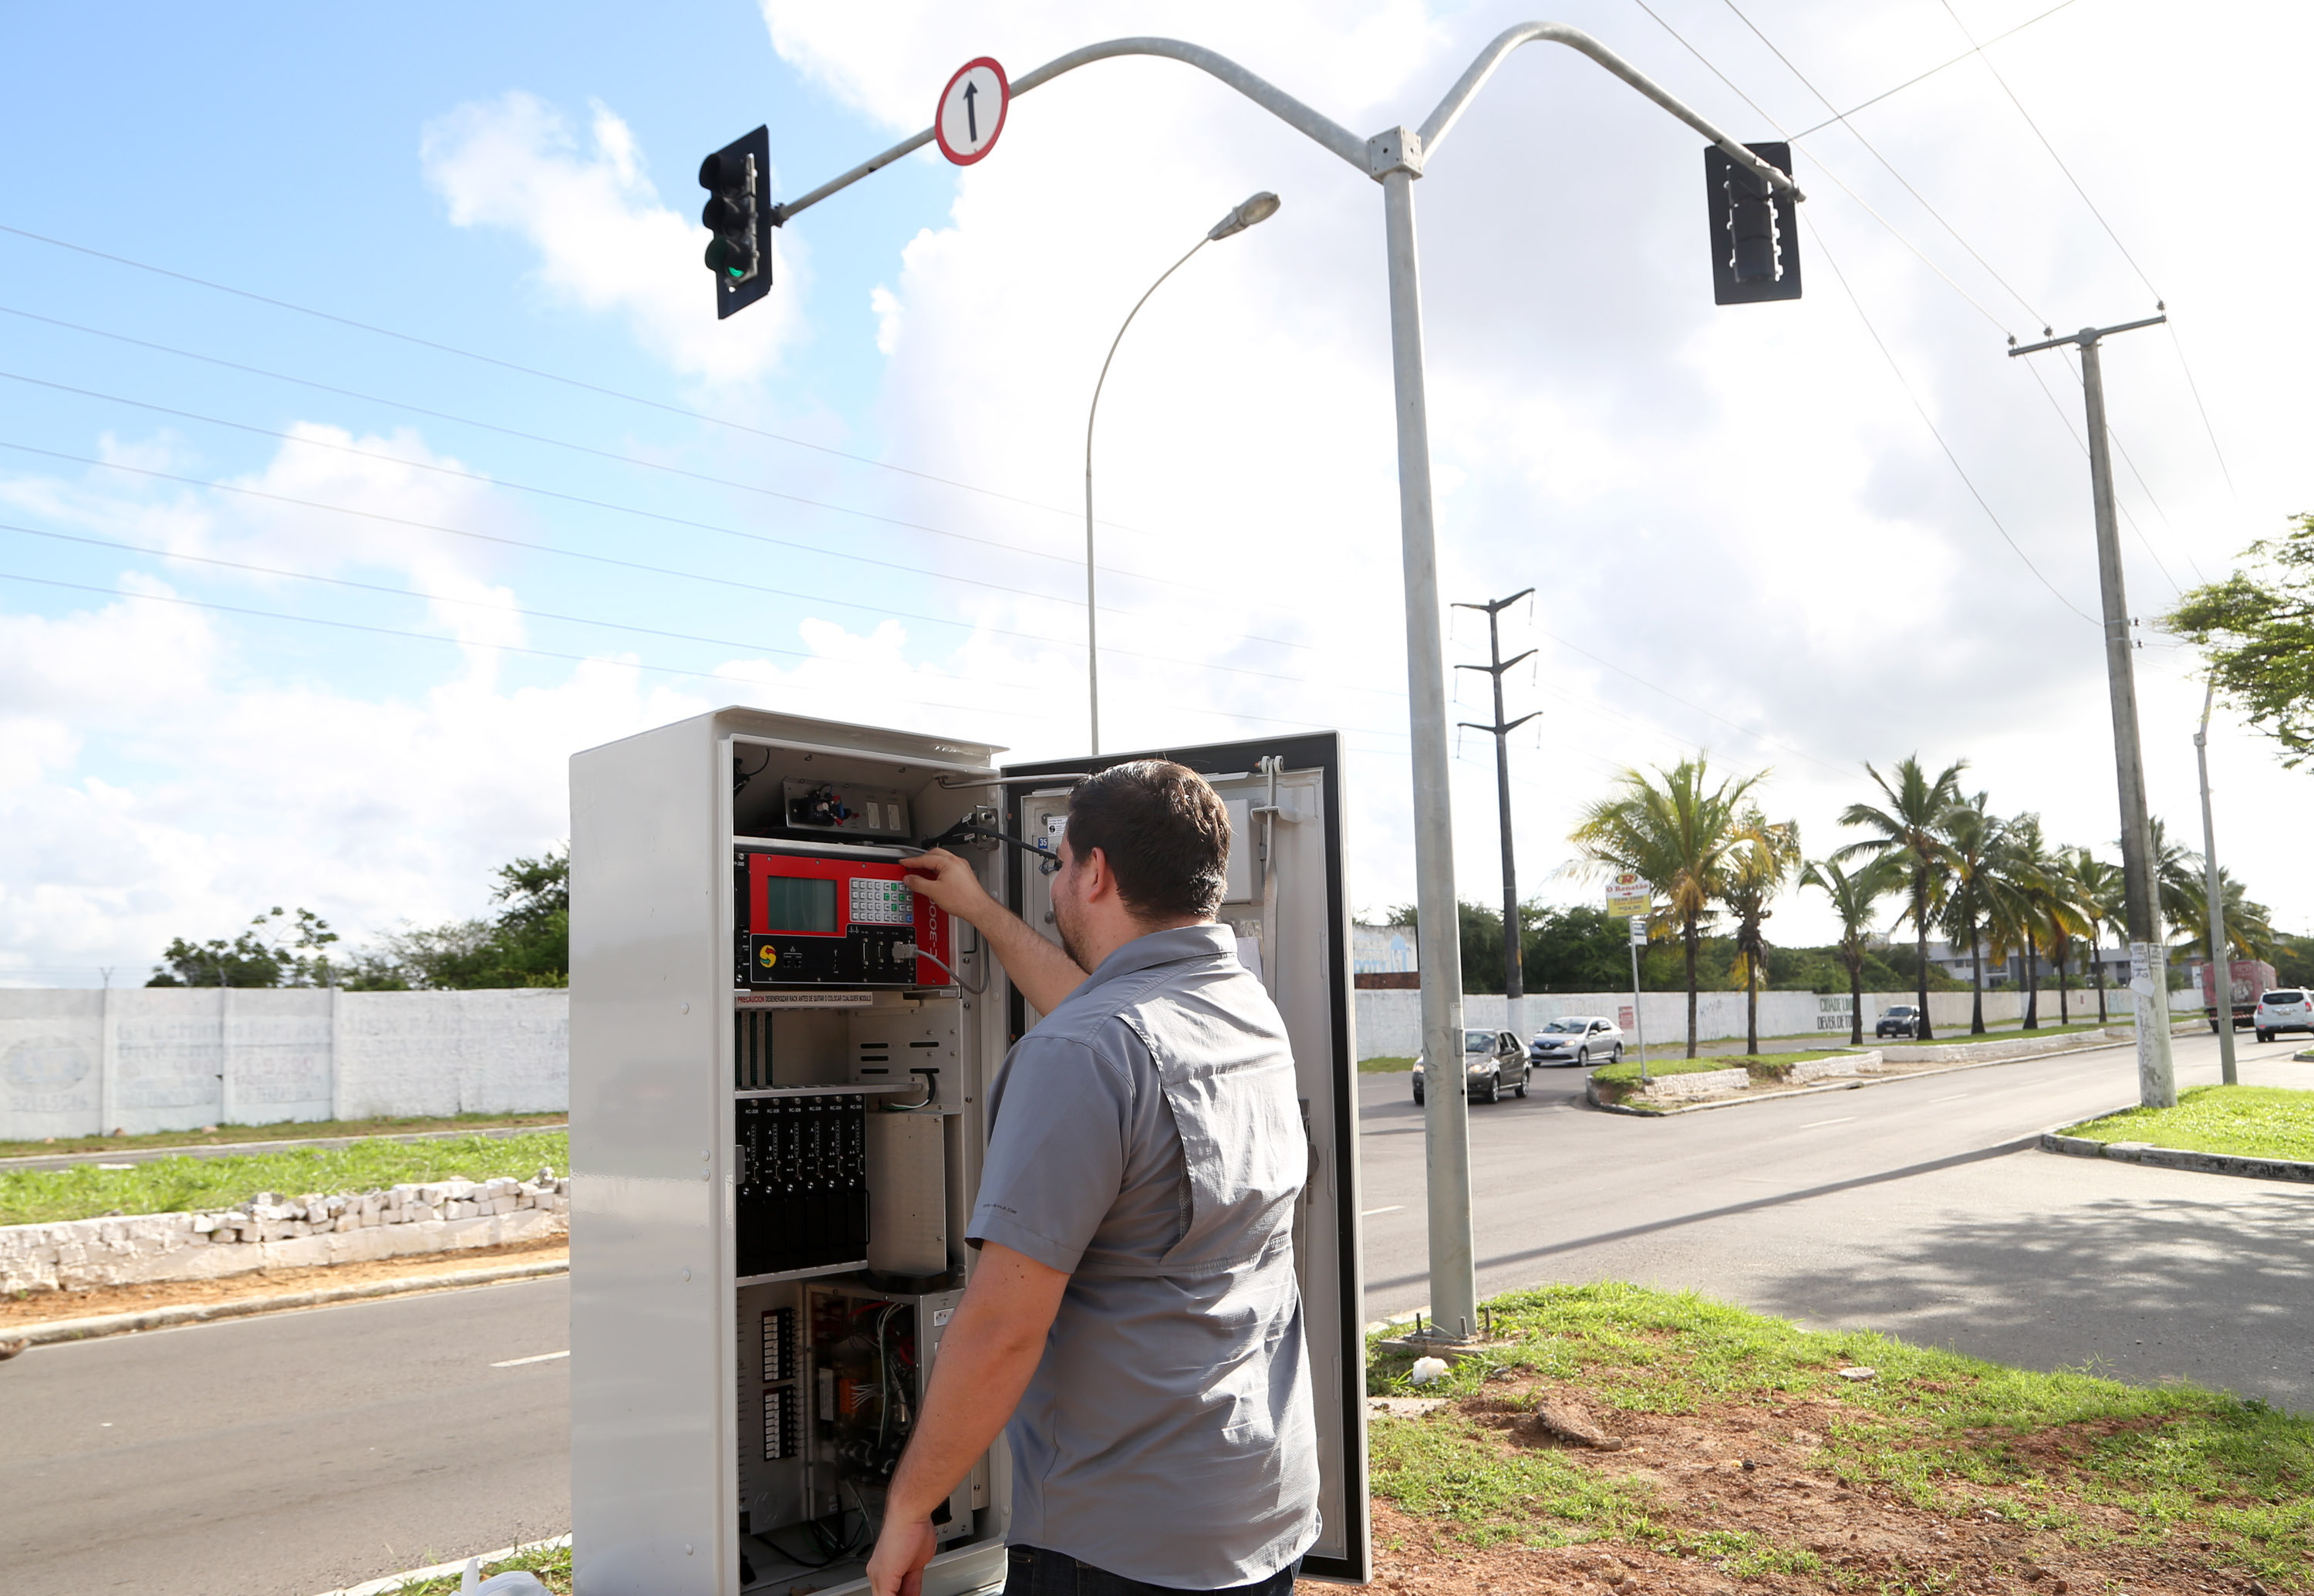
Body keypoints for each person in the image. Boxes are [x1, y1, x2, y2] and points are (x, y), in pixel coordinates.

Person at [864, 760, 1317, 1596]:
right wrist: (979, 911)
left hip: (1119, 1546)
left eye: (1059, 862)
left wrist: (910, 1506)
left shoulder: (1084, 1054)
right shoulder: (1242, 1007)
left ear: (1096, 870)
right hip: (1258, 1507)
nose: (1058, 881)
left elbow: (1002, 1325)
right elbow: (1108, 1024)